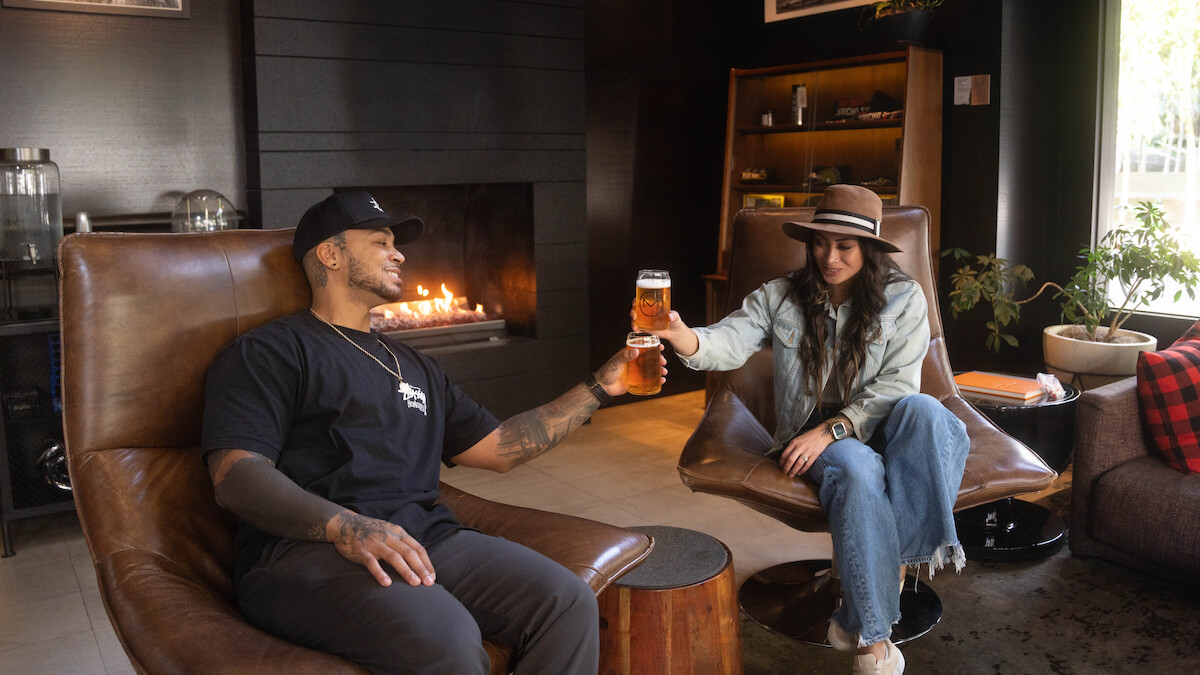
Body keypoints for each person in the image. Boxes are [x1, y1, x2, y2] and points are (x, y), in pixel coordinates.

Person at [201, 190, 662, 674]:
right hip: (304, 551)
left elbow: (501, 448)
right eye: (380, 242)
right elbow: (236, 475)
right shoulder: (269, 351)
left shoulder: (414, 365)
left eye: (396, 244)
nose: (399, 253)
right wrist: (349, 526)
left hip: (424, 537)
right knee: (448, 637)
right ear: (330, 254)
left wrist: (600, 386)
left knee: (567, 602)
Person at [643, 185, 969, 675]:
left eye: (844, 246)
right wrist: (680, 333)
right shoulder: (781, 296)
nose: (829, 257)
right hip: (812, 432)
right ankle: (872, 640)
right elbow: (728, 341)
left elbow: (898, 386)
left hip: (886, 425)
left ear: (871, 250)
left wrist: (836, 429)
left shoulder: (904, 297)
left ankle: (891, 575)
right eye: (820, 244)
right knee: (858, 468)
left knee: (925, 411)